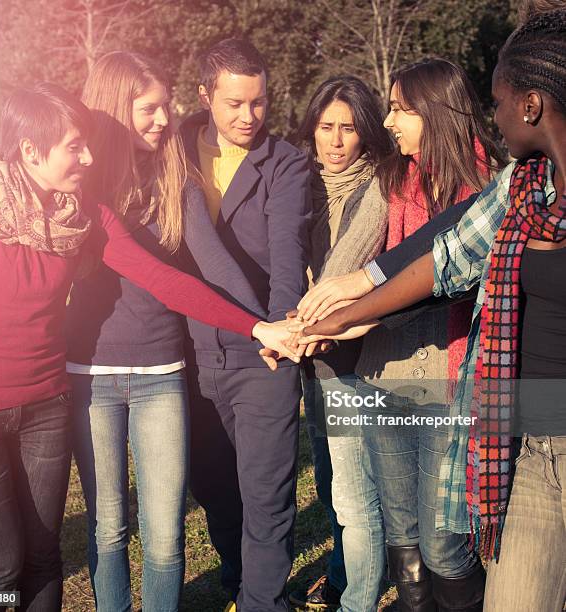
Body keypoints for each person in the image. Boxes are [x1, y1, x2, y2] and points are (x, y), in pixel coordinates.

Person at [0, 82, 298, 612]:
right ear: (30, 150)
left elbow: (164, 279)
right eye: (74, 146)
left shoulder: (82, 213)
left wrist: (257, 327)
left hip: (46, 406)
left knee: (45, 554)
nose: (87, 157)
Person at [298, 10, 566, 612]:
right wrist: (339, 309)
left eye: (400, 108)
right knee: (421, 547)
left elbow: (444, 270)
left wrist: (355, 311)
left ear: (529, 105)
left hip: (455, 389)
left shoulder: (490, 178)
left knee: (447, 547)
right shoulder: (516, 190)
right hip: (465, 410)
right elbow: (436, 252)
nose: (385, 120)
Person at [65, 51, 292, 612]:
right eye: (150, 109)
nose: (165, 120)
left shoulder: (173, 174)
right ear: (116, 110)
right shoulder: (80, 183)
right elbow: (148, 275)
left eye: (167, 107)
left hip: (164, 366)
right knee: (110, 527)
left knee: (165, 536)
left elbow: (209, 262)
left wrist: (262, 326)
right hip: (91, 368)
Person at [178, 38, 311, 612]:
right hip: (188, 354)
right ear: (204, 95)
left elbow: (287, 255)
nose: (248, 117)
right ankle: (237, 579)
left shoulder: (285, 162)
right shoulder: (174, 151)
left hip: (263, 353)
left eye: (258, 103)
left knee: (267, 494)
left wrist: (277, 331)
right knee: (212, 486)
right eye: (234, 103)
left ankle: (263, 601)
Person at [288, 76, 393, 612]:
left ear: (365, 132)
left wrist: (300, 323)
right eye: (326, 127)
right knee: (330, 480)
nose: (335, 140)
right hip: (315, 359)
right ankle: (341, 573)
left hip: (355, 357)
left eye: (347, 129)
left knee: (356, 493)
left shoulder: (377, 188)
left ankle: (354, 592)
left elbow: (344, 276)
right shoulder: (304, 187)